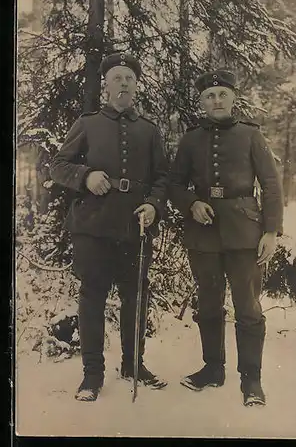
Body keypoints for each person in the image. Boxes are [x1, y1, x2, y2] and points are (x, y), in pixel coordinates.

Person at [50, 52, 169, 401]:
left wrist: (153, 204)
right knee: (92, 300)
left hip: (135, 228)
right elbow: (58, 165)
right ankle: (92, 375)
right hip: (93, 227)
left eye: (129, 78)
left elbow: (162, 177)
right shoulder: (87, 124)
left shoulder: (149, 130)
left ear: (136, 86)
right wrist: (86, 176)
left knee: (135, 299)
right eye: (117, 78)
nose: (124, 84)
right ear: (106, 84)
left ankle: (133, 365)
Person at [169, 69, 284, 406]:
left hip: (245, 231)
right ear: (201, 101)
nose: (216, 101)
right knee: (208, 302)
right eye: (209, 96)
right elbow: (174, 184)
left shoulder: (250, 135)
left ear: (233, 98)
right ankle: (212, 369)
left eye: (222, 95)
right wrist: (192, 204)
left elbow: (272, 184)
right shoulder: (190, 139)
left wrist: (271, 231)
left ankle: (251, 381)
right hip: (203, 232)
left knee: (247, 305)